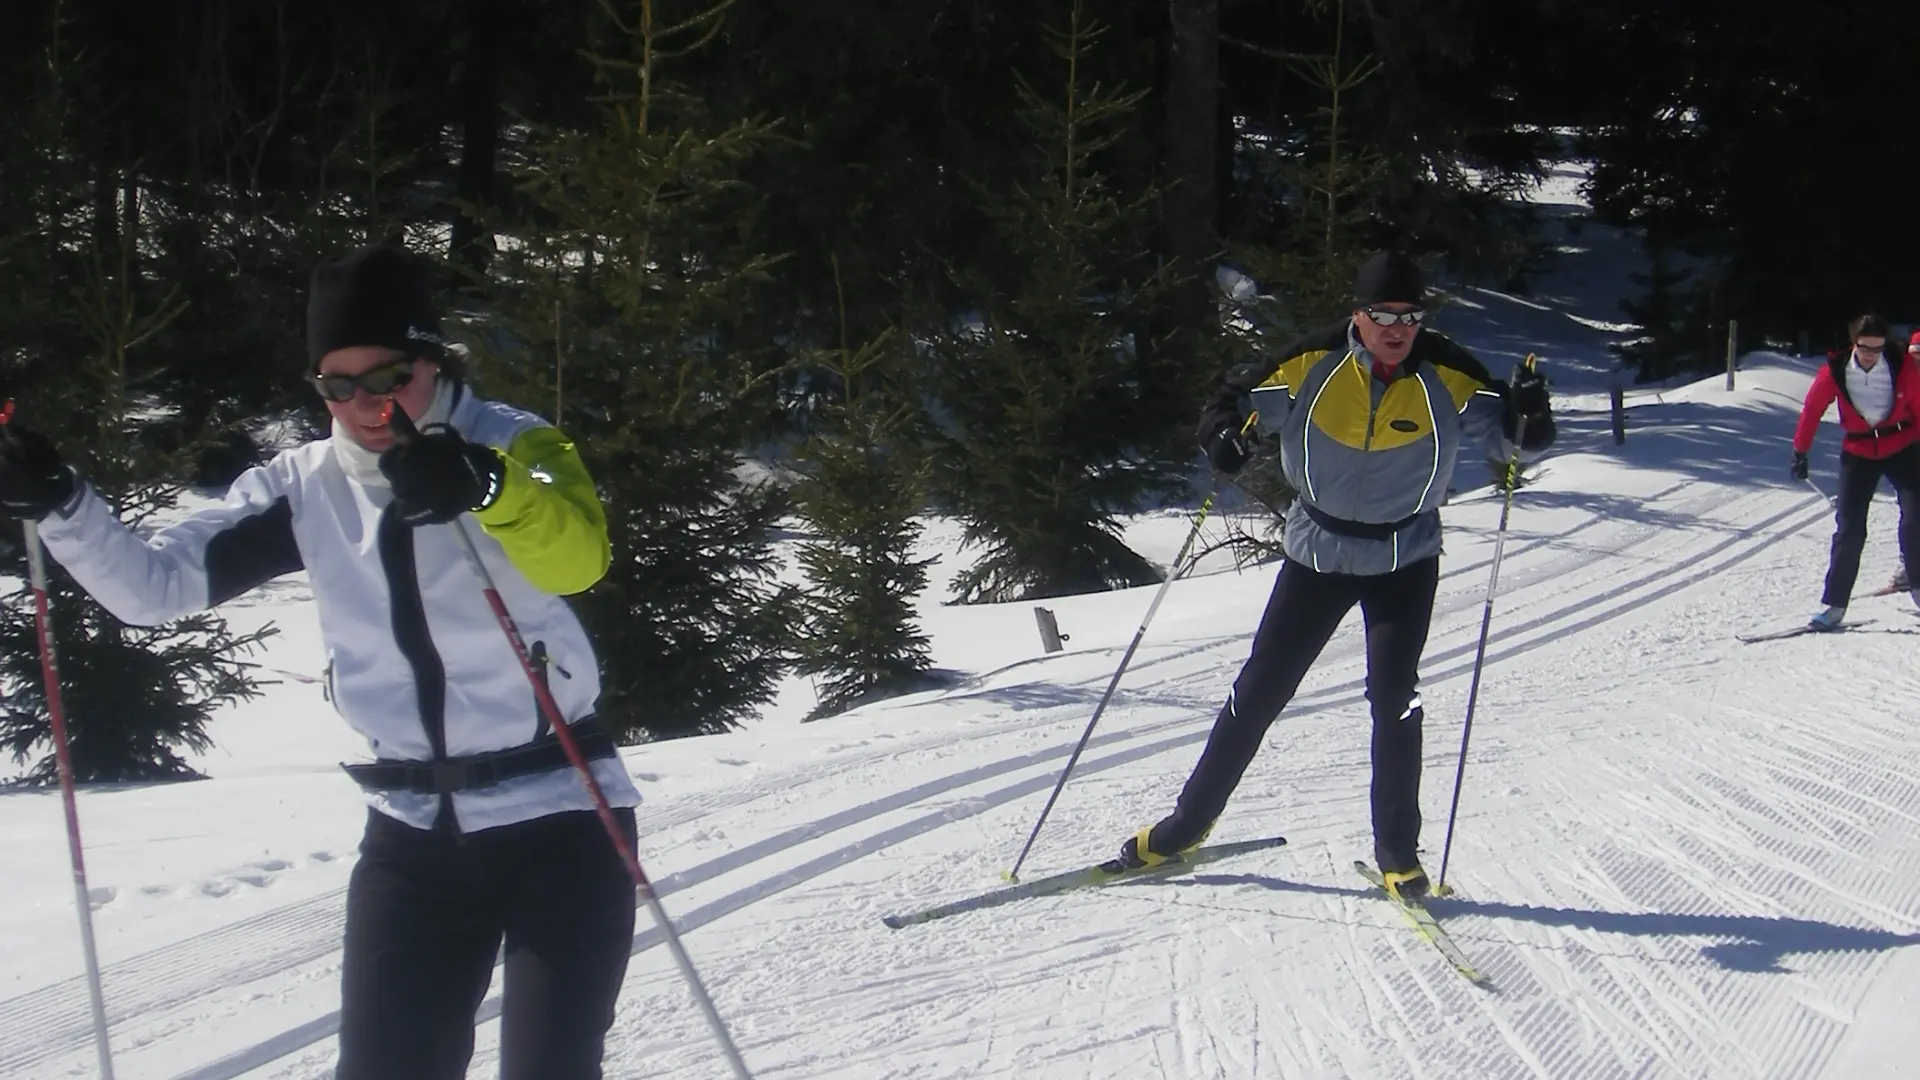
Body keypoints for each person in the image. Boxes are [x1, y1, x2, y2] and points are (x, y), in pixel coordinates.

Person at [0, 245, 641, 1080]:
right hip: (415, 838)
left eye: (388, 378)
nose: (367, 405)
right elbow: (152, 589)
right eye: (338, 387)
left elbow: (578, 558)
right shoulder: (303, 487)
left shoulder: (517, 442)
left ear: (435, 361)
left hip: (564, 814)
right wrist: (62, 506)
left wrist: (488, 487)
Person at [1110, 251, 1555, 903]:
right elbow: (1229, 401)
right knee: (1257, 693)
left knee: (1394, 700)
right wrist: (1222, 436)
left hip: (1404, 559)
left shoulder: (1451, 375)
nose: (1397, 327)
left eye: (1409, 316)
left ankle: (1399, 859)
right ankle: (1184, 828)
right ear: (1359, 316)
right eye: (1383, 315)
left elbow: (1513, 444)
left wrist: (1532, 415)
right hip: (1316, 553)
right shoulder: (1310, 363)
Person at [1790, 315, 1920, 628]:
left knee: (1915, 520)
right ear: (1853, 343)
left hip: (1903, 446)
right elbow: (1812, 410)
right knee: (1849, 529)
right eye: (1865, 348)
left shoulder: (1903, 366)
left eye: (1878, 348)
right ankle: (1834, 605)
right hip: (1859, 452)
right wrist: (1800, 451)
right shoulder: (1835, 372)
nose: (1871, 355)